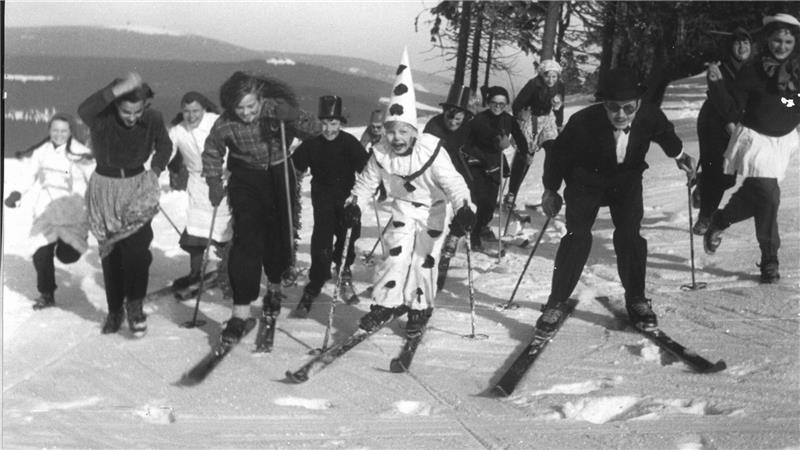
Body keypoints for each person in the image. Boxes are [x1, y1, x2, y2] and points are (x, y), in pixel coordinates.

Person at [537, 68, 695, 334]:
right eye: (613, 107)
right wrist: (550, 190)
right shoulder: (583, 121)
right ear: (603, 104)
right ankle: (556, 301)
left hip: (626, 180)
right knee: (578, 236)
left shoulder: (649, 116)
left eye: (628, 108)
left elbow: (666, 135)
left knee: (630, 235)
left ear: (639, 104)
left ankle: (636, 300)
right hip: (586, 181)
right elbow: (558, 156)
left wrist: (679, 155)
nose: (621, 114)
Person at [342, 48, 476, 338]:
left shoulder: (432, 149)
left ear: (414, 131)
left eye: (403, 132)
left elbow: (454, 183)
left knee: (423, 259)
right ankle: (384, 305)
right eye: (391, 132)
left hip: (433, 209)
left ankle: (419, 308)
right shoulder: (380, 153)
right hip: (403, 207)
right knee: (394, 255)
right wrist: (354, 204)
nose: (397, 138)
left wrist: (465, 208)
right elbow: (365, 183)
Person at [202, 71, 320, 344]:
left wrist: (292, 116)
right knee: (247, 242)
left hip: (279, 174)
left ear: (260, 99)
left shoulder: (274, 110)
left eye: (251, 106)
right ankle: (240, 313)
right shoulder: (224, 124)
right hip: (246, 179)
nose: (245, 113)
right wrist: (213, 181)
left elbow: (313, 130)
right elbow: (212, 151)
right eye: (239, 108)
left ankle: (275, 286)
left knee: (278, 237)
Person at [704, 13, 800, 284]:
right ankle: (770, 258)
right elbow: (733, 107)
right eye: (777, 40)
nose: (782, 46)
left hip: (782, 140)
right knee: (769, 195)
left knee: (760, 194)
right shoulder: (753, 70)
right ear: (768, 39)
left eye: (788, 41)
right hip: (756, 138)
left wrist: (791, 102)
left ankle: (720, 220)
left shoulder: (797, 70)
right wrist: (716, 83)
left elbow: (794, 102)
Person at [78, 72, 172, 336]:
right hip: (105, 189)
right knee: (111, 255)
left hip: (136, 187)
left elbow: (164, 146)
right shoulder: (102, 119)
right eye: (126, 112)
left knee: (137, 253)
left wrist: (155, 169)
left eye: (137, 112)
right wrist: (118, 88)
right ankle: (114, 310)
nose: (132, 117)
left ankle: (135, 304)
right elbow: (84, 108)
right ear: (116, 105)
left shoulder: (152, 119)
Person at [4, 113, 93, 310]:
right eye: (55, 130)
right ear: (49, 131)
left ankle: (71, 243)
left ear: (70, 132)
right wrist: (17, 192)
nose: (59, 134)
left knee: (67, 256)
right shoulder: (42, 151)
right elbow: (29, 174)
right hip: (46, 210)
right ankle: (47, 293)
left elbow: (94, 182)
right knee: (40, 253)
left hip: (72, 212)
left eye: (63, 131)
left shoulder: (81, 153)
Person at [290, 95, 369, 317]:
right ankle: (317, 278)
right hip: (322, 195)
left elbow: (366, 169)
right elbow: (295, 165)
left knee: (348, 235)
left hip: (346, 196)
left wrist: (377, 186)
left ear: (340, 123)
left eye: (333, 123)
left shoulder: (349, 142)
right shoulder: (312, 144)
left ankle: (343, 270)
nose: (328, 128)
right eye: (324, 123)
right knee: (322, 236)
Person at [167, 92, 233, 292]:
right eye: (186, 111)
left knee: (225, 231)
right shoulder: (178, 131)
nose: (191, 116)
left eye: (195, 111)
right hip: (197, 183)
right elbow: (166, 152)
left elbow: (234, 144)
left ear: (204, 109)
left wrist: (231, 170)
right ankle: (195, 273)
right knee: (196, 232)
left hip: (225, 180)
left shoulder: (217, 122)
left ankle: (228, 274)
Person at [693, 27, 753, 235]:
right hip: (713, 124)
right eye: (738, 43)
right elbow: (719, 97)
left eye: (746, 43)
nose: (742, 46)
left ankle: (701, 183)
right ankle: (705, 218)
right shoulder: (719, 67)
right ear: (730, 46)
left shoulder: (754, 69)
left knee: (729, 178)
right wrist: (729, 122)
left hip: (736, 126)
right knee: (718, 175)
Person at [422, 83, 476, 283]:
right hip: (438, 171)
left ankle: (453, 240)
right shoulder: (434, 126)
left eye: (458, 117)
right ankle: (427, 253)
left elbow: (481, 138)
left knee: (468, 204)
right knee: (438, 210)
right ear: (443, 112)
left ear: (465, 116)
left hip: (460, 170)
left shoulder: (470, 125)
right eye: (450, 116)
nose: (453, 121)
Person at [467, 85, 529, 252]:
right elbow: (484, 133)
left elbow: (519, 136)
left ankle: (482, 228)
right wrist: (497, 139)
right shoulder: (480, 118)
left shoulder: (508, 119)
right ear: (488, 102)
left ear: (506, 105)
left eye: (502, 104)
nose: (498, 107)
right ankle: (474, 234)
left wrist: (526, 153)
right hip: (477, 162)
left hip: (495, 163)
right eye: (494, 103)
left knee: (490, 203)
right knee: (481, 200)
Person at [508, 59, 566, 208]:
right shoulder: (533, 85)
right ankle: (511, 194)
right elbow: (516, 105)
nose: (551, 80)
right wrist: (522, 114)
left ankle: (549, 191)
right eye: (547, 76)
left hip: (547, 120)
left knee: (554, 149)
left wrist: (559, 123)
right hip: (531, 120)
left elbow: (560, 107)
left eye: (554, 76)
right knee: (525, 156)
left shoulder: (560, 86)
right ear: (542, 75)